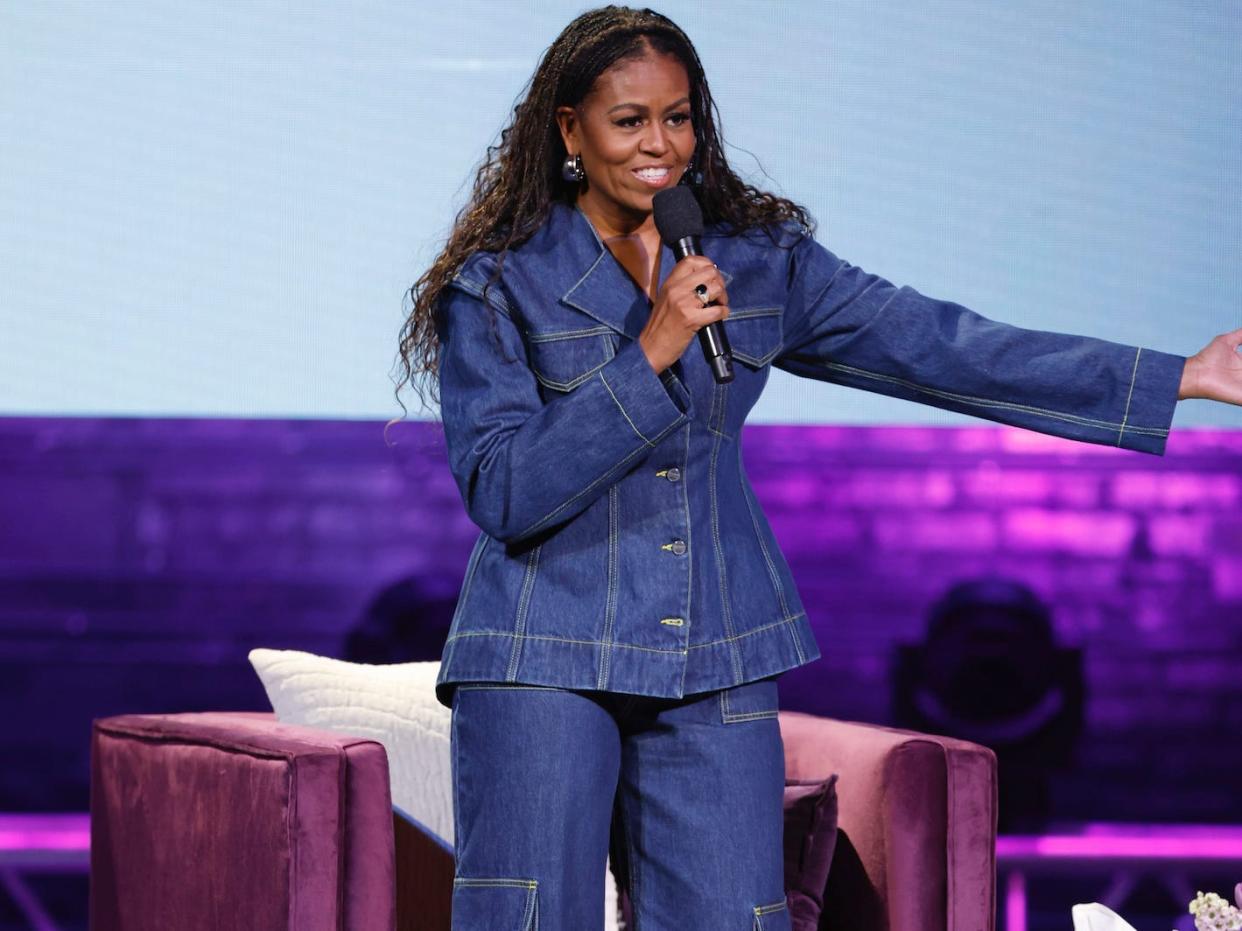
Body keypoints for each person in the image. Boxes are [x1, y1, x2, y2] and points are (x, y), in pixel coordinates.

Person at [391, 7, 1242, 929]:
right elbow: (505, 489)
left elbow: (943, 346)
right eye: (629, 120)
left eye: (678, 118)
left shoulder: (755, 263)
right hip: (542, 649)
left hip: (713, 645)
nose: (660, 146)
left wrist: (1177, 377)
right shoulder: (497, 284)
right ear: (569, 129)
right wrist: (652, 353)